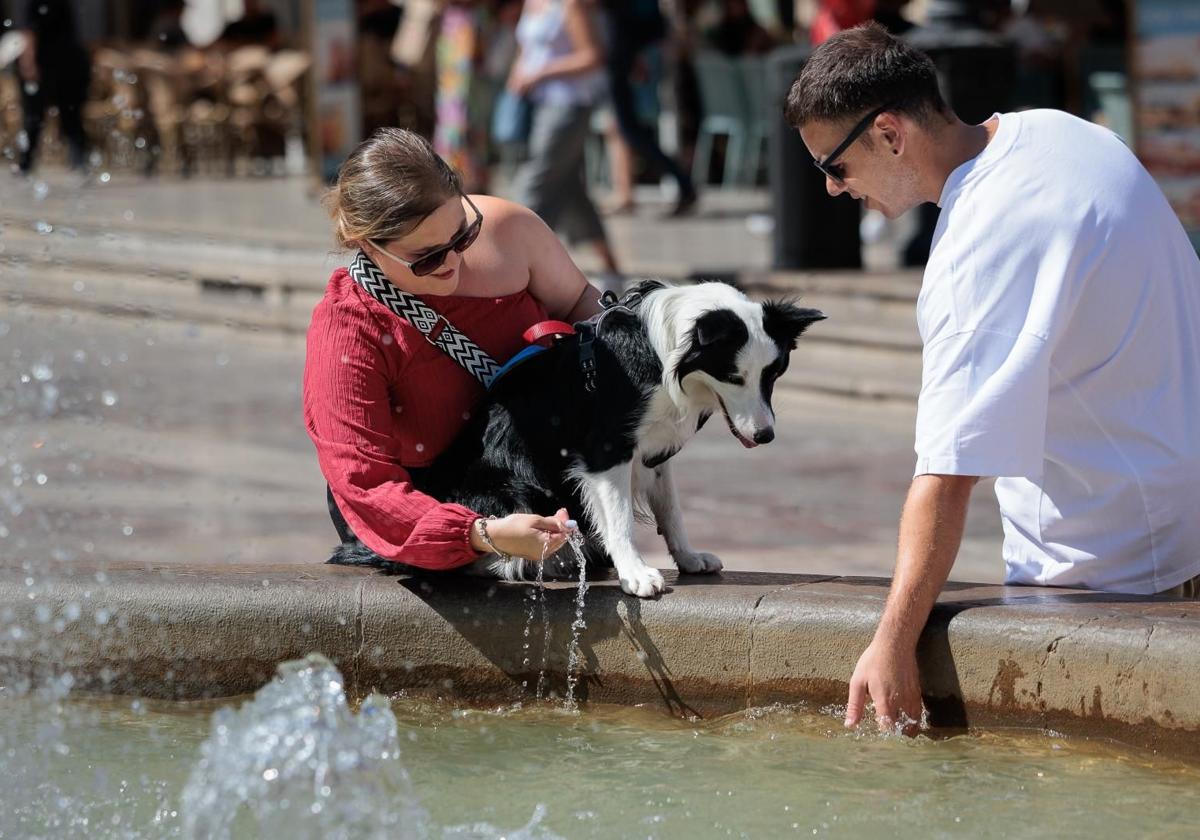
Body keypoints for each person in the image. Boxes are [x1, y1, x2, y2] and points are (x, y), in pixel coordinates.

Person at [784, 23, 1200, 731]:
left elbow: (946, 477)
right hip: (1180, 521)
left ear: (889, 133)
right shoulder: (1064, 133)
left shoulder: (978, 248)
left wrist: (890, 643)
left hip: (1108, 574)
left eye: (835, 165)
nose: (829, 189)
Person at [305, 128, 603, 569]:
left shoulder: (507, 230)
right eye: (426, 257)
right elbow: (364, 484)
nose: (453, 263)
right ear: (364, 242)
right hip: (427, 515)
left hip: (538, 477)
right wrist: (480, 533)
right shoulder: (348, 329)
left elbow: (584, 307)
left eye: (462, 236)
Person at [508, 0, 622, 287]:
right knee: (570, 188)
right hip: (538, 104)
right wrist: (518, 75)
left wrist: (541, 73)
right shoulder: (532, 3)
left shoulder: (570, 4)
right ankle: (611, 270)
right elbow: (527, 47)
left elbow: (592, 55)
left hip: (568, 105)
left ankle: (516, 270)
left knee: (536, 185)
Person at [598, 0, 697, 217]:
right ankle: (679, 182)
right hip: (627, 52)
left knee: (629, 130)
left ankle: (683, 182)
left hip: (625, 54)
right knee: (624, 129)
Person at [10, 0, 91, 174]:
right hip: (65, 64)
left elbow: (29, 33)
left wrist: (28, 64)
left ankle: (27, 163)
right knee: (70, 114)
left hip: (47, 65)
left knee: (35, 116)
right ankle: (79, 161)